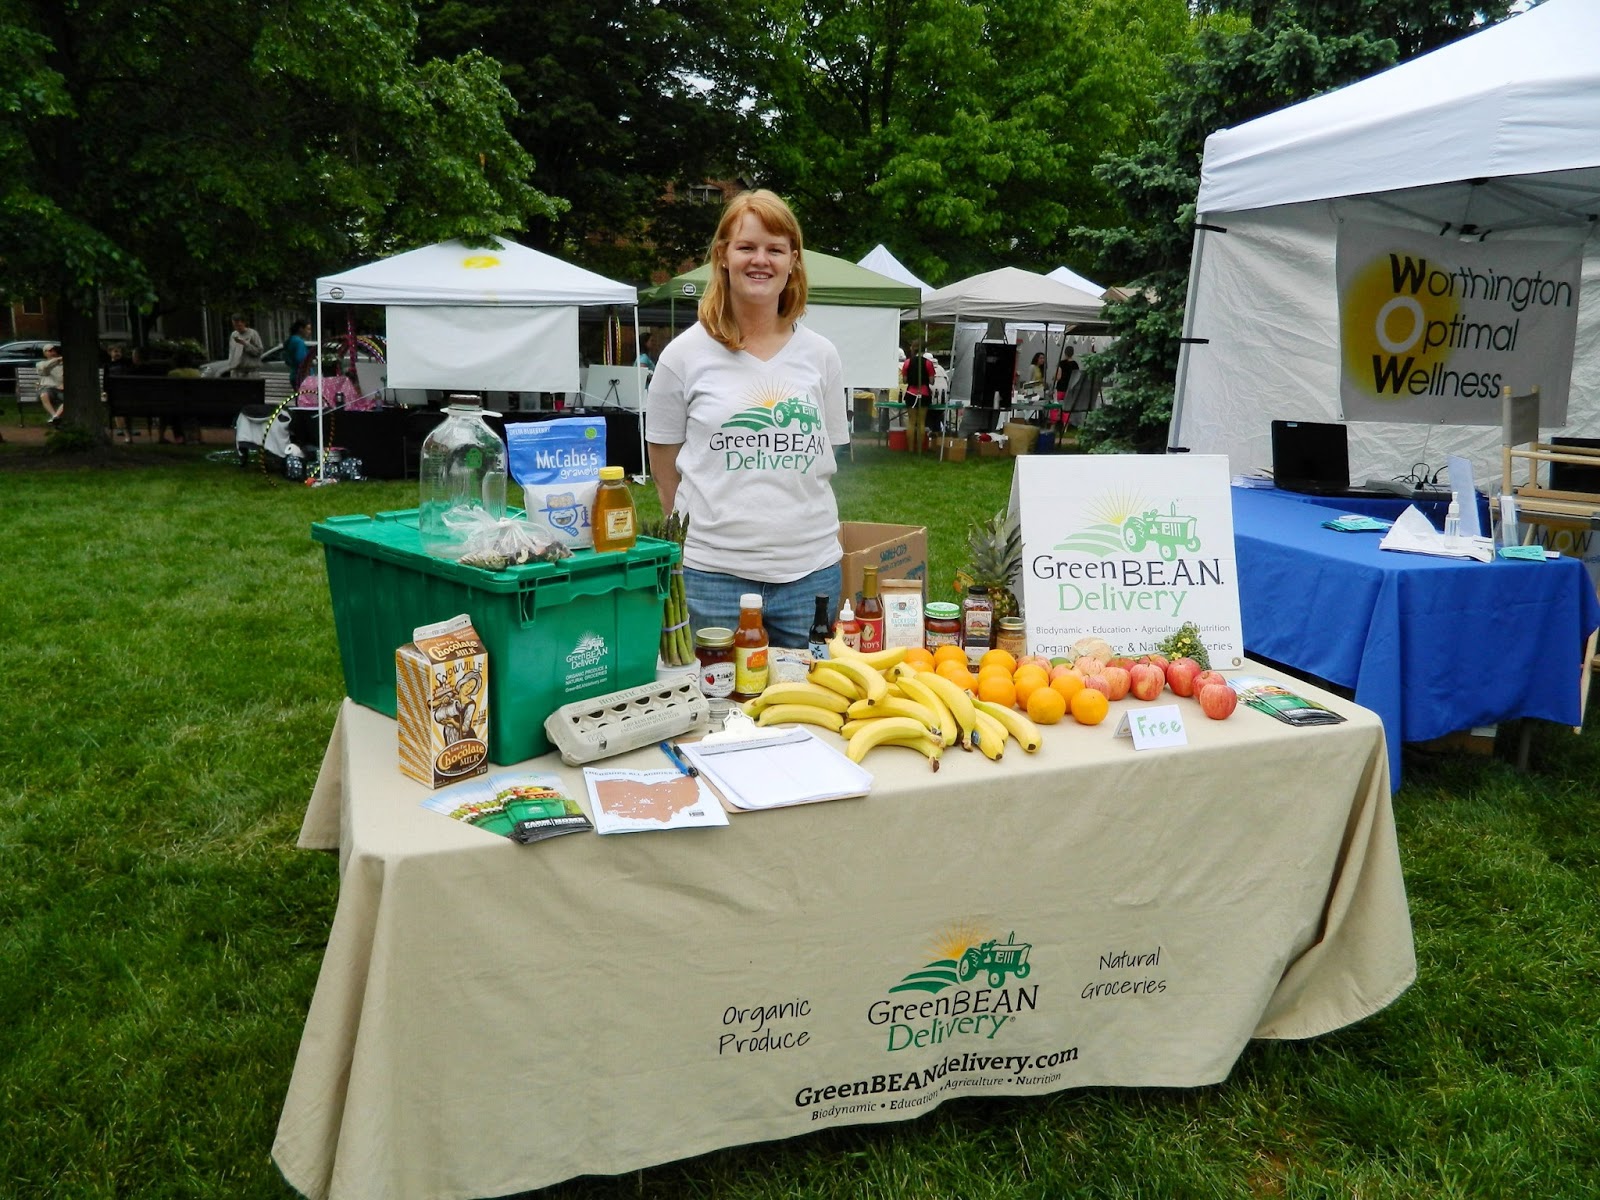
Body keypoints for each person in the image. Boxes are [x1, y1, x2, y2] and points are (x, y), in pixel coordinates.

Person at [645, 189, 848, 649]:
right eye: (746, 247)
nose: (761, 260)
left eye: (775, 249)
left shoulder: (822, 355)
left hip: (810, 575)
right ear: (722, 255)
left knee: (809, 692)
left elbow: (826, 452)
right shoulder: (682, 356)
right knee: (714, 694)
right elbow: (663, 467)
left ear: (793, 261)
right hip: (711, 579)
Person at [900, 346, 937, 451]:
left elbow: (904, 380)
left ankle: (911, 449)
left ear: (913, 350)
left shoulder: (907, 362)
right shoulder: (928, 363)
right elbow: (932, 381)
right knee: (921, 422)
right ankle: (920, 449)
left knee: (911, 422)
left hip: (911, 393)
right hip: (924, 394)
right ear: (924, 350)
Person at [1051, 346, 1079, 429]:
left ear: (1065, 352)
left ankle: (1053, 424)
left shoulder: (1062, 363)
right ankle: (1065, 426)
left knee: (1055, 405)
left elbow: (1058, 377)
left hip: (1060, 388)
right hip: (1069, 389)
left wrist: (1053, 377)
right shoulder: (1075, 364)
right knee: (1066, 408)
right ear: (1073, 353)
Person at [37, 344, 65, 423]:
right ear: (44, 353)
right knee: (43, 395)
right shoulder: (40, 364)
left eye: (54, 350)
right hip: (48, 389)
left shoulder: (63, 364)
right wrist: (58, 359)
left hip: (61, 389)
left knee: (70, 399)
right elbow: (44, 367)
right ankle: (54, 416)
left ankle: (55, 418)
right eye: (50, 351)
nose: (53, 352)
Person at [285, 320, 312, 390]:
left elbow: (287, 360)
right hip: (302, 377)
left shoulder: (290, 340)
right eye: (308, 329)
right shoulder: (299, 342)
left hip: (294, 375)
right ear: (301, 329)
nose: (309, 332)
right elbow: (301, 360)